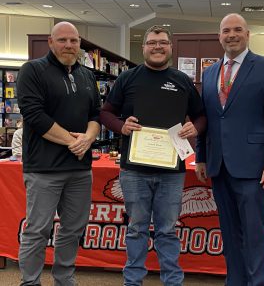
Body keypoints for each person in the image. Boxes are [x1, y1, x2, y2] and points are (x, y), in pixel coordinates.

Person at [100, 25, 206, 286]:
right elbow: (105, 113)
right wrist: (120, 126)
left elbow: (202, 116)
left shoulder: (182, 81)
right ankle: (132, 281)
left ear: (170, 47)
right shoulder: (127, 78)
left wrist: (196, 127)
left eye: (162, 43)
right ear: (144, 47)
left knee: (167, 230)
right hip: (134, 170)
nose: (157, 47)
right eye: (152, 43)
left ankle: (172, 281)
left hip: (171, 171)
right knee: (136, 228)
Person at [195, 13, 264, 286]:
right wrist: (201, 157)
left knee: (254, 232)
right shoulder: (210, 72)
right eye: (226, 31)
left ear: (248, 34)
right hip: (219, 166)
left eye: (238, 30)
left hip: (254, 168)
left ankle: (259, 283)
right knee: (230, 232)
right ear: (219, 36)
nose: (232, 35)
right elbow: (207, 119)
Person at [17, 21, 100, 286]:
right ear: (50, 42)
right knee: (37, 230)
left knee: (72, 230)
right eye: (62, 40)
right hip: (44, 169)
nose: (68, 45)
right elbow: (34, 115)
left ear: (79, 45)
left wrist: (88, 137)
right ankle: (30, 282)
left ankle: (64, 279)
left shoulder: (87, 75)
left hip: (79, 169)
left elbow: (96, 115)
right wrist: (72, 142)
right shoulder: (33, 70)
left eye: (73, 41)